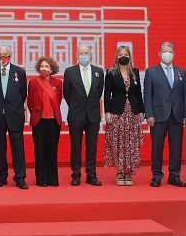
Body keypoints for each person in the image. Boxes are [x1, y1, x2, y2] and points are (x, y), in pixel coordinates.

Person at [143, 42, 186, 188]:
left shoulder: (181, 72)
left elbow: (185, 96)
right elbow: (147, 95)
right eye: (165, 51)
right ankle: (157, 175)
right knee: (157, 147)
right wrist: (149, 114)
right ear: (159, 53)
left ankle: (174, 175)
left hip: (177, 115)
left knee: (176, 147)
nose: (167, 54)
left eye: (170, 52)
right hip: (158, 115)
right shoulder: (151, 72)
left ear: (174, 54)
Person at [0, 46, 28, 189]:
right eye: (0, 55)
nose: (3, 57)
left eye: (5, 55)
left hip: (14, 115)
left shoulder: (19, 72)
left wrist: (14, 107)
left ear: (10, 55)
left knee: (17, 147)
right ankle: (2, 176)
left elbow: (23, 94)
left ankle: (20, 177)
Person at [63, 45, 104, 187]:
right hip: (76, 115)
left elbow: (99, 93)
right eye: (81, 53)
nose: (84, 55)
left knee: (92, 147)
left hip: (93, 115)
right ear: (76, 55)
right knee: (75, 147)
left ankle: (91, 175)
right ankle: (76, 175)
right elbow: (67, 93)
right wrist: (76, 105)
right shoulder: (70, 72)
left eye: (86, 53)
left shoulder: (99, 72)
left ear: (91, 54)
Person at [103, 46, 145, 186]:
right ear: (116, 56)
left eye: (125, 54)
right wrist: (107, 112)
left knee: (130, 143)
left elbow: (138, 93)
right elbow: (107, 94)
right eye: (120, 54)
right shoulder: (110, 72)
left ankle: (128, 173)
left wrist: (141, 111)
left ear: (130, 56)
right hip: (116, 112)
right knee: (117, 142)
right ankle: (119, 172)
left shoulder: (135, 72)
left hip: (132, 112)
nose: (123, 56)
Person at [28, 57, 63, 187]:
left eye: (47, 66)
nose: (44, 68)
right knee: (40, 150)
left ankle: (53, 179)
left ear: (52, 69)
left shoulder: (58, 83)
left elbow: (58, 101)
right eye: (42, 66)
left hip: (53, 121)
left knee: (52, 151)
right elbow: (30, 102)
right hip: (39, 121)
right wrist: (37, 113)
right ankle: (41, 179)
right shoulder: (33, 83)